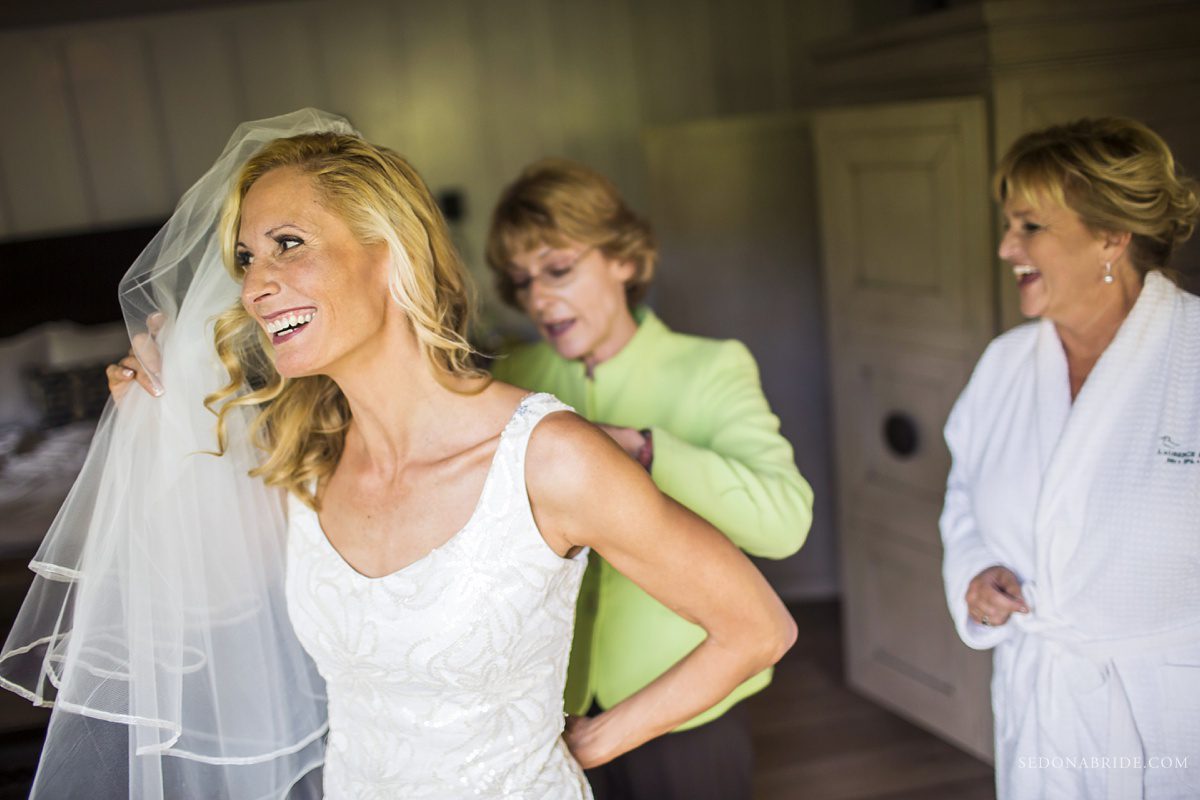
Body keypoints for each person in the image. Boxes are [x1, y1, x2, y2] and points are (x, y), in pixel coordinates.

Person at [2, 110, 797, 800]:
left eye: (288, 244)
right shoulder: (302, 467)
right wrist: (162, 436)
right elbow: (206, 614)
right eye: (246, 259)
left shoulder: (549, 458)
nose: (255, 284)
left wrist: (588, 744)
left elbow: (757, 627)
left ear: (389, 253)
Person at [486, 158, 813, 800]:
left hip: (686, 707)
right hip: (546, 711)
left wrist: (642, 447)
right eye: (523, 281)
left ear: (625, 260)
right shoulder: (508, 375)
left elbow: (785, 521)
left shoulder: (711, 367)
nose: (539, 299)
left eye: (558, 269)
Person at [940, 117, 1200, 799]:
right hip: (1041, 708)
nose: (1005, 247)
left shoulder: (1193, 359)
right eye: (1008, 225)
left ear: (1111, 236)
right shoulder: (1004, 366)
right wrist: (974, 572)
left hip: (1171, 721)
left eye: (1030, 226)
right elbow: (963, 494)